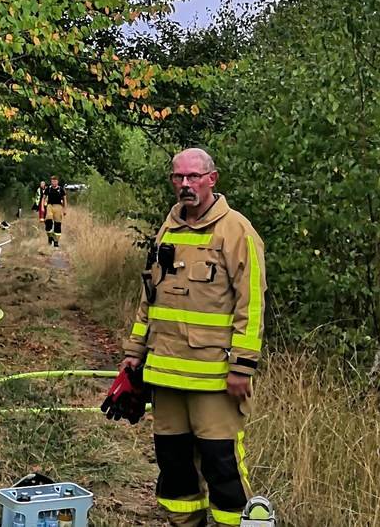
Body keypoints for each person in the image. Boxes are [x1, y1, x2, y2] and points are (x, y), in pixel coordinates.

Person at [120, 148, 266, 527]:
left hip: (214, 377)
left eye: (193, 177)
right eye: (178, 178)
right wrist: (135, 352)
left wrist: (242, 366)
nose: (185, 185)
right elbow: (148, 299)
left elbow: (251, 307)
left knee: (223, 466)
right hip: (165, 376)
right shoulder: (167, 230)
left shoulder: (237, 232)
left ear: (212, 179)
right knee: (174, 465)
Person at [41, 175, 67, 247]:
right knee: (48, 220)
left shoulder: (61, 189)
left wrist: (65, 209)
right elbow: (43, 198)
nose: (54, 183)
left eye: (55, 181)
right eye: (52, 181)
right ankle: (49, 236)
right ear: (51, 182)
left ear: (57, 182)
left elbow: (65, 199)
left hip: (58, 206)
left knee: (57, 224)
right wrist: (42, 207)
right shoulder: (48, 189)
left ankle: (56, 241)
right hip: (50, 206)